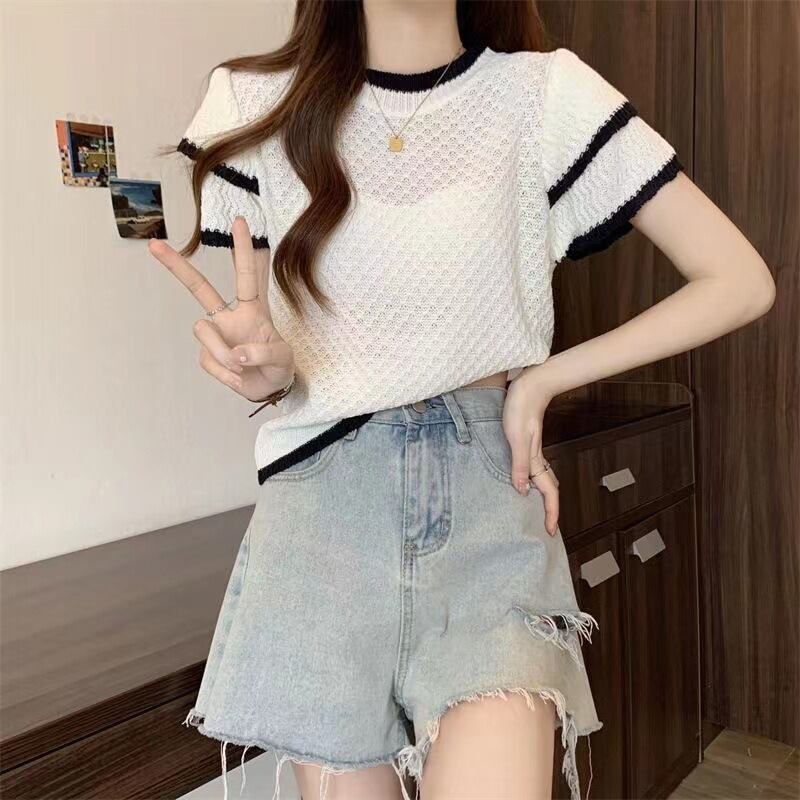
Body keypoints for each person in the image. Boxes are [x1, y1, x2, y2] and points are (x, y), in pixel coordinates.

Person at [148, 2, 775, 798]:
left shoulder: (544, 96)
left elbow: (739, 279)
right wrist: (263, 371)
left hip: (487, 504)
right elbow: (276, 354)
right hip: (322, 517)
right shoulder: (253, 102)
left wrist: (543, 379)